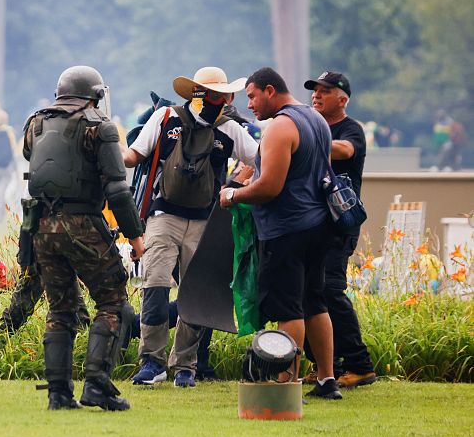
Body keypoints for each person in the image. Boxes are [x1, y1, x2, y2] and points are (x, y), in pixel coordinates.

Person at [124, 67, 257, 388]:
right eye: (216, 93)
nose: (220, 98)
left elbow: (261, 157)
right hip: (163, 216)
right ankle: (151, 362)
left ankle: (186, 365)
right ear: (199, 93)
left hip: (206, 221)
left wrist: (236, 187)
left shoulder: (231, 129)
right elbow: (133, 156)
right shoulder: (166, 117)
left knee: (196, 294)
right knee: (155, 287)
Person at [25, 65, 145, 411]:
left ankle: (58, 393)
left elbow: (30, 157)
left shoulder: (35, 123)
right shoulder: (100, 127)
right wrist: (136, 238)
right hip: (83, 224)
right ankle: (97, 385)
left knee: (60, 308)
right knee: (112, 301)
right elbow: (118, 192)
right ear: (95, 95)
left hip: (42, 227)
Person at [219, 66, 342, 400]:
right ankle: (327, 379)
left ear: (270, 90)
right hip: (318, 226)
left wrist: (233, 194)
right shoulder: (316, 120)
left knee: (289, 310)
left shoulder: (280, 127)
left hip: (287, 229)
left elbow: (270, 187)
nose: (251, 105)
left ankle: (287, 383)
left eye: (253, 96)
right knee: (315, 303)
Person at [303, 71, 376, 388]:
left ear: (343, 98)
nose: (316, 95)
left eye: (325, 91)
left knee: (330, 290)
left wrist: (303, 140)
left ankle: (359, 365)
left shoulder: (351, 130)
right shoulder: (312, 125)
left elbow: (345, 151)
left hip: (339, 226)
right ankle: (327, 367)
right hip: (311, 224)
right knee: (307, 293)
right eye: (315, 91)